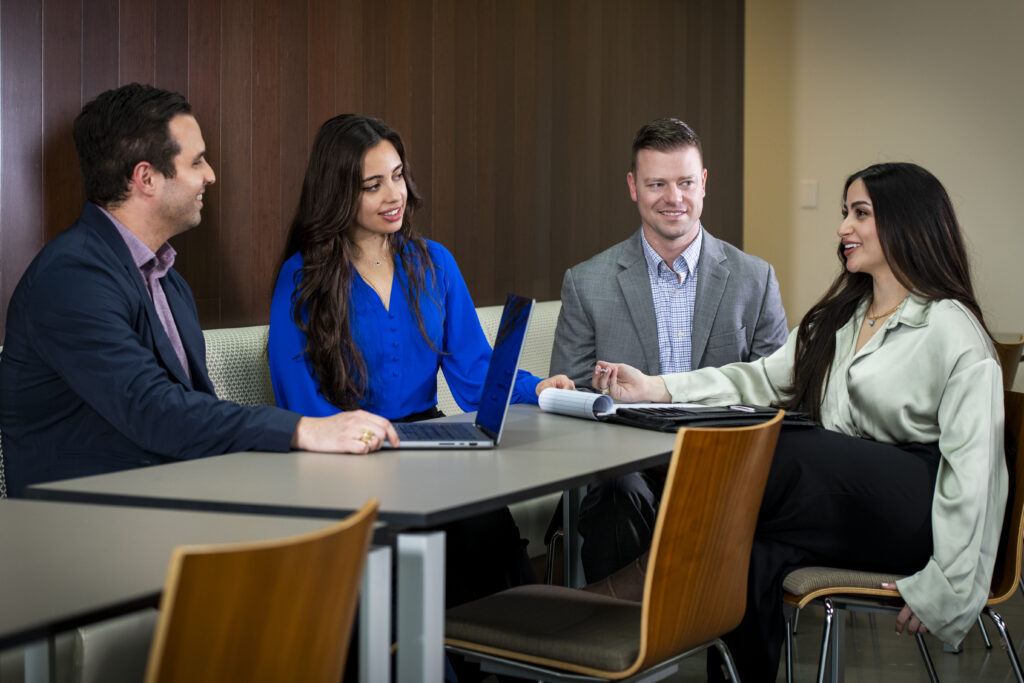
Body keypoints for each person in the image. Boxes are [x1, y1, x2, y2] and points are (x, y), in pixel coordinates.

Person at [592, 162, 1007, 682]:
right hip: (839, 502)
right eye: (844, 213)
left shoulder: (951, 328)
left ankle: (640, 582)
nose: (842, 228)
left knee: (780, 443)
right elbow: (759, 378)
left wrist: (948, 586)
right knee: (751, 553)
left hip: (918, 514)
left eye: (860, 214)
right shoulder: (842, 317)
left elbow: (976, 472)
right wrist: (655, 388)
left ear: (907, 224)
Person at [0, 84, 398, 498]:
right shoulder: (71, 277)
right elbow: (152, 411)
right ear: (146, 178)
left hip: (172, 502)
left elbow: (192, 420)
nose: (210, 175)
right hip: (84, 526)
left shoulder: (168, 281)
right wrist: (304, 428)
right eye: (197, 161)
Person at [268, 114, 573, 610]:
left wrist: (539, 389)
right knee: (434, 540)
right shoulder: (301, 278)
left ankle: (515, 654)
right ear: (338, 192)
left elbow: (476, 375)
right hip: (350, 460)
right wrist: (359, 443)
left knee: (485, 522)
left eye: (398, 175)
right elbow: (300, 401)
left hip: (431, 447)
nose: (395, 195)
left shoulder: (435, 263)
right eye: (372, 185)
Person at [548, 117, 789, 581]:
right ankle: (630, 648)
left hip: (722, 462)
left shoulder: (754, 279)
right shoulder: (586, 282)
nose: (672, 198)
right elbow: (569, 398)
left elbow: (777, 391)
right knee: (617, 494)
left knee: (770, 505)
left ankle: (725, 651)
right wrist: (588, 398)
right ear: (633, 187)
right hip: (623, 466)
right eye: (656, 184)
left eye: (684, 183)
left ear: (703, 184)